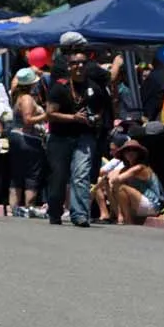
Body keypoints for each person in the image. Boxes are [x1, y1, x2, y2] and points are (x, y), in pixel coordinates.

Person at [46, 49, 107, 227]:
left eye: (82, 63)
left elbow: (100, 111)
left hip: (84, 136)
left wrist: (94, 118)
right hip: (60, 137)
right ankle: (55, 211)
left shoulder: (94, 88)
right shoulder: (60, 87)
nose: (79, 66)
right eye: (74, 63)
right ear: (69, 67)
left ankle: (80, 214)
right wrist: (73, 117)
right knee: (59, 176)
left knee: (81, 174)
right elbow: (50, 114)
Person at [7, 68, 48, 217]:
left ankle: (14, 208)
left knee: (17, 175)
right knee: (32, 174)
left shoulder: (17, 96)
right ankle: (28, 206)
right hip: (28, 139)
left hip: (17, 137)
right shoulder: (27, 99)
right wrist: (46, 115)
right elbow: (28, 120)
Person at [107, 139, 164, 224]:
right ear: (123, 154)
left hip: (152, 205)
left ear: (139, 153)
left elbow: (117, 179)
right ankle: (120, 216)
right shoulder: (126, 169)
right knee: (112, 187)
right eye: (127, 150)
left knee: (122, 188)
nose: (130, 152)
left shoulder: (140, 168)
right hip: (138, 204)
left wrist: (110, 178)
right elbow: (112, 178)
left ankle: (128, 220)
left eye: (134, 150)